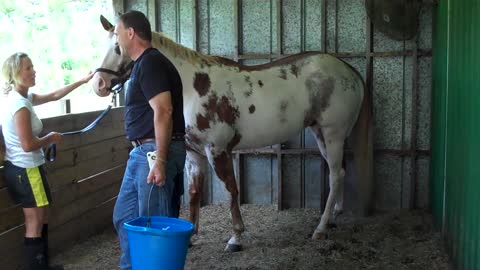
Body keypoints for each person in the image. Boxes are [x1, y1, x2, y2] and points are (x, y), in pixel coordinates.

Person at [1, 52, 93, 270]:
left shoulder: (24, 97)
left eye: (32, 66)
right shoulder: (19, 104)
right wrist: (50, 138)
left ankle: (43, 265)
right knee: (34, 222)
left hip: (28, 168)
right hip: (26, 169)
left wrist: (81, 81)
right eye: (28, 68)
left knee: (41, 218)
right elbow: (27, 144)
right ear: (15, 74)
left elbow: (53, 96)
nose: (34, 71)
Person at [111, 11, 186, 270]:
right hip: (142, 152)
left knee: (154, 226)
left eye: (117, 32)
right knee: (124, 216)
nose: (116, 38)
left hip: (154, 151)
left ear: (130, 33)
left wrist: (161, 160)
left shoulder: (151, 63)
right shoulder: (141, 65)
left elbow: (163, 111)